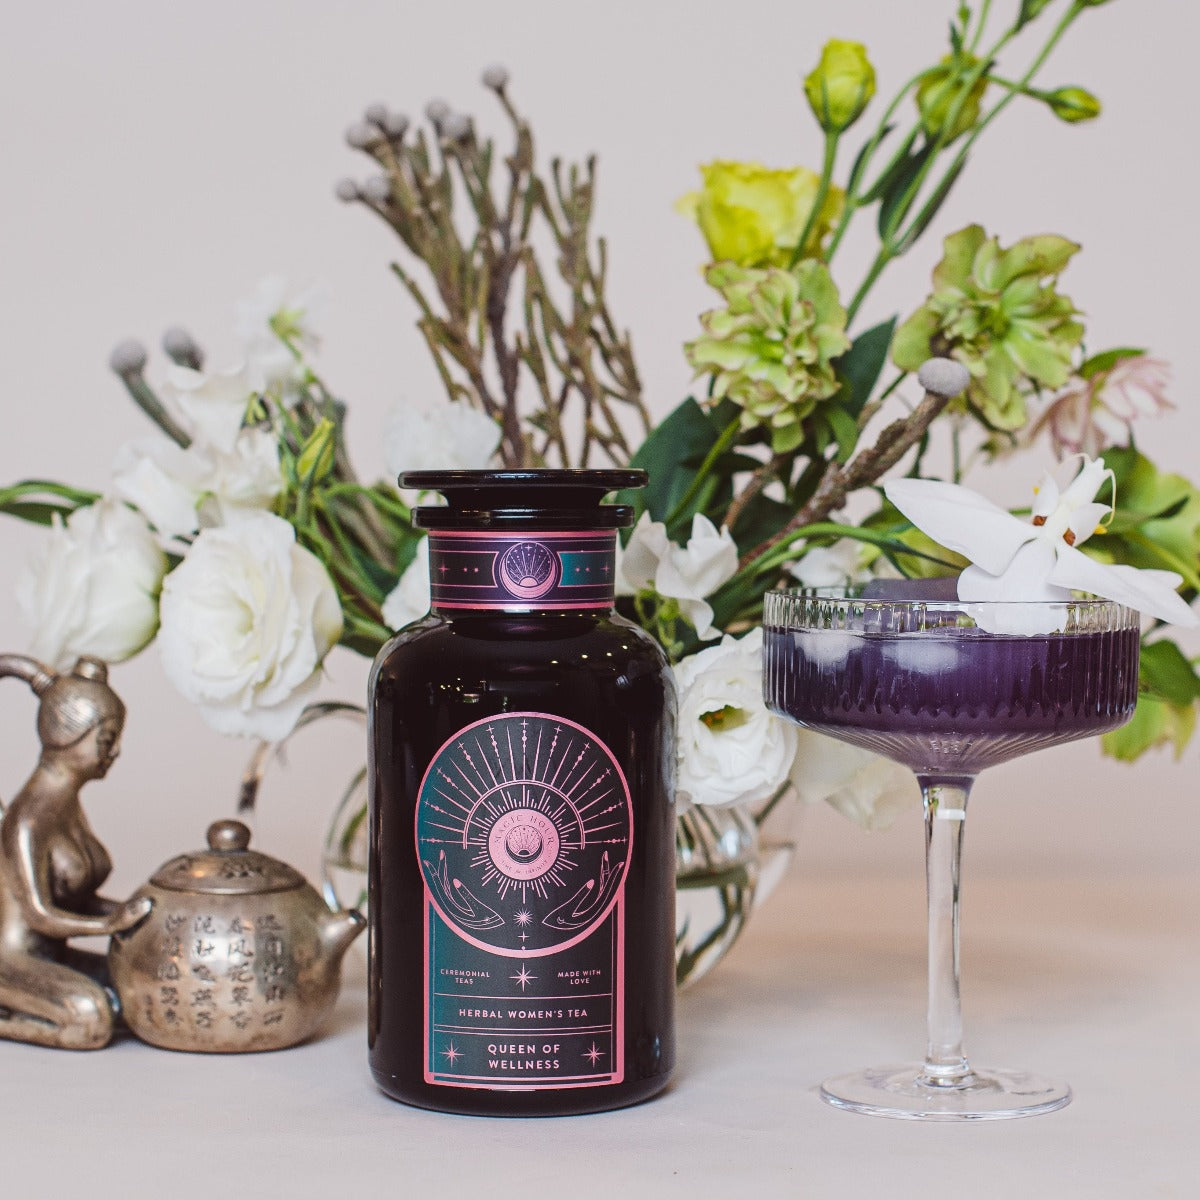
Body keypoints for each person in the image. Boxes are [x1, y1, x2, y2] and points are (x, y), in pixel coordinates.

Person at [0, 655, 150, 1049]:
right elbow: (39, 914)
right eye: (106, 739)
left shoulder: (65, 803)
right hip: (15, 961)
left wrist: (139, 912)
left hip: (54, 956)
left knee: (141, 991)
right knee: (92, 1020)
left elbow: (80, 899)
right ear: (68, 737)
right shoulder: (28, 819)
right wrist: (111, 924)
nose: (115, 751)